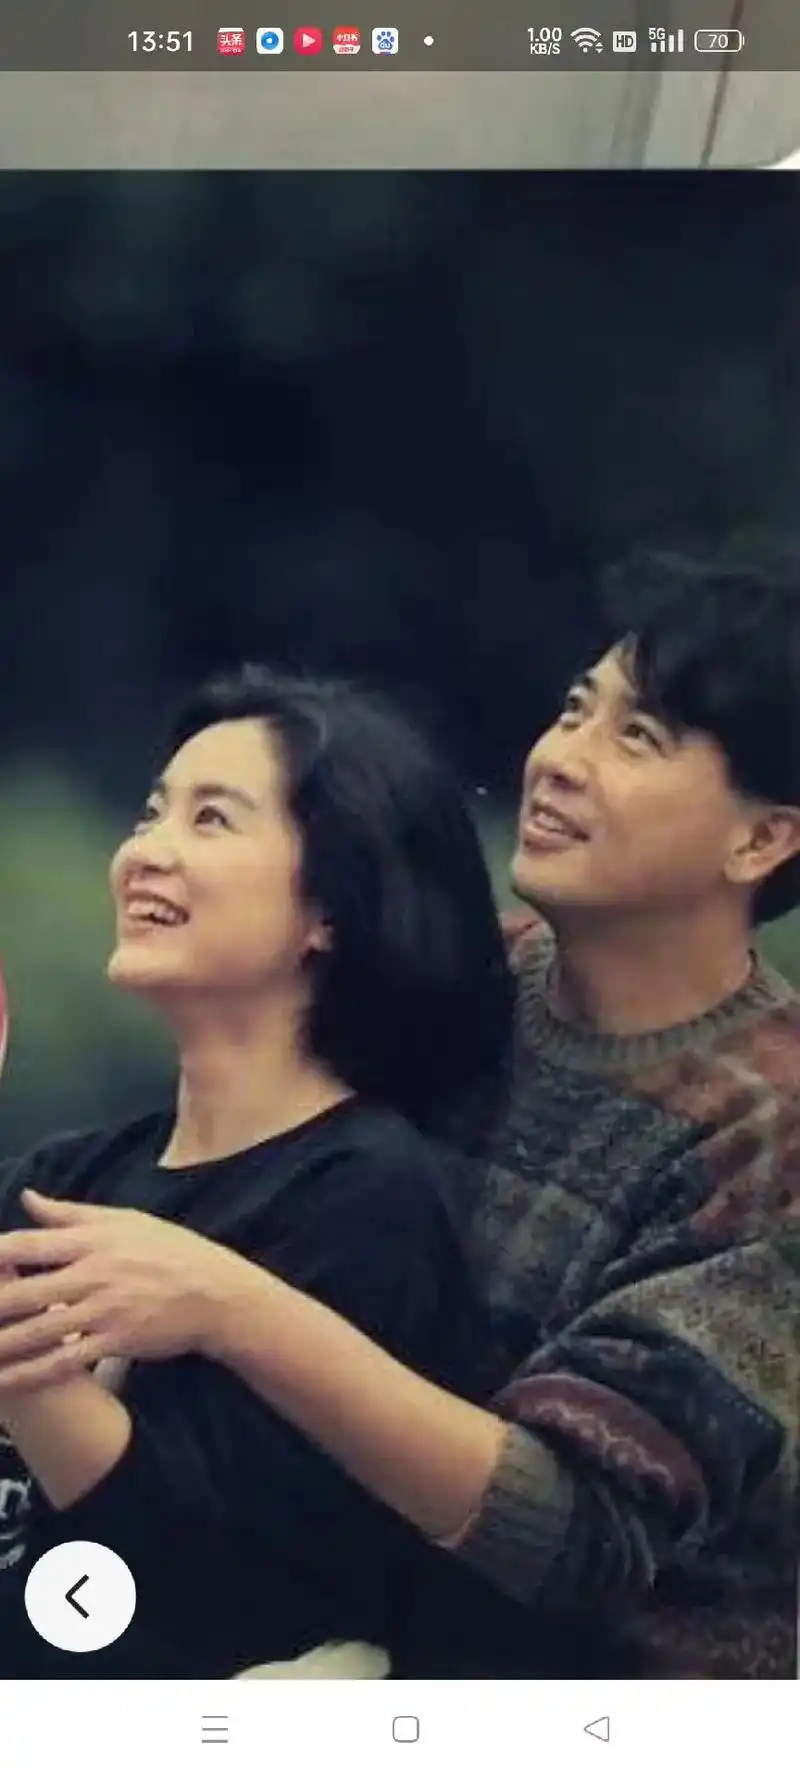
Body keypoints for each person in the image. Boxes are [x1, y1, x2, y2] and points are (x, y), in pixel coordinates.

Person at [1, 553, 799, 1680]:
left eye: (637, 738)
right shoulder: (456, 982)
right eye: (576, 708)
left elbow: (578, 1534)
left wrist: (230, 1307)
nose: (560, 759)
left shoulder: (768, 1130)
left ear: (760, 840)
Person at [0, 663, 515, 1679]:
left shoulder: (369, 1196)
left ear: (331, 907)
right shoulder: (65, 1175)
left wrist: (30, 1376)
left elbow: (210, 1592)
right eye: (151, 813)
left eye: (211, 819)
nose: (146, 851)